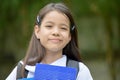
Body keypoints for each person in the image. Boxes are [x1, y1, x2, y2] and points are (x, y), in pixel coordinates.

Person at [6, 2, 93, 80]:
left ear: (70, 36)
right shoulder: (23, 69)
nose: (56, 32)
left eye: (63, 28)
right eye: (49, 26)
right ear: (37, 31)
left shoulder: (79, 70)